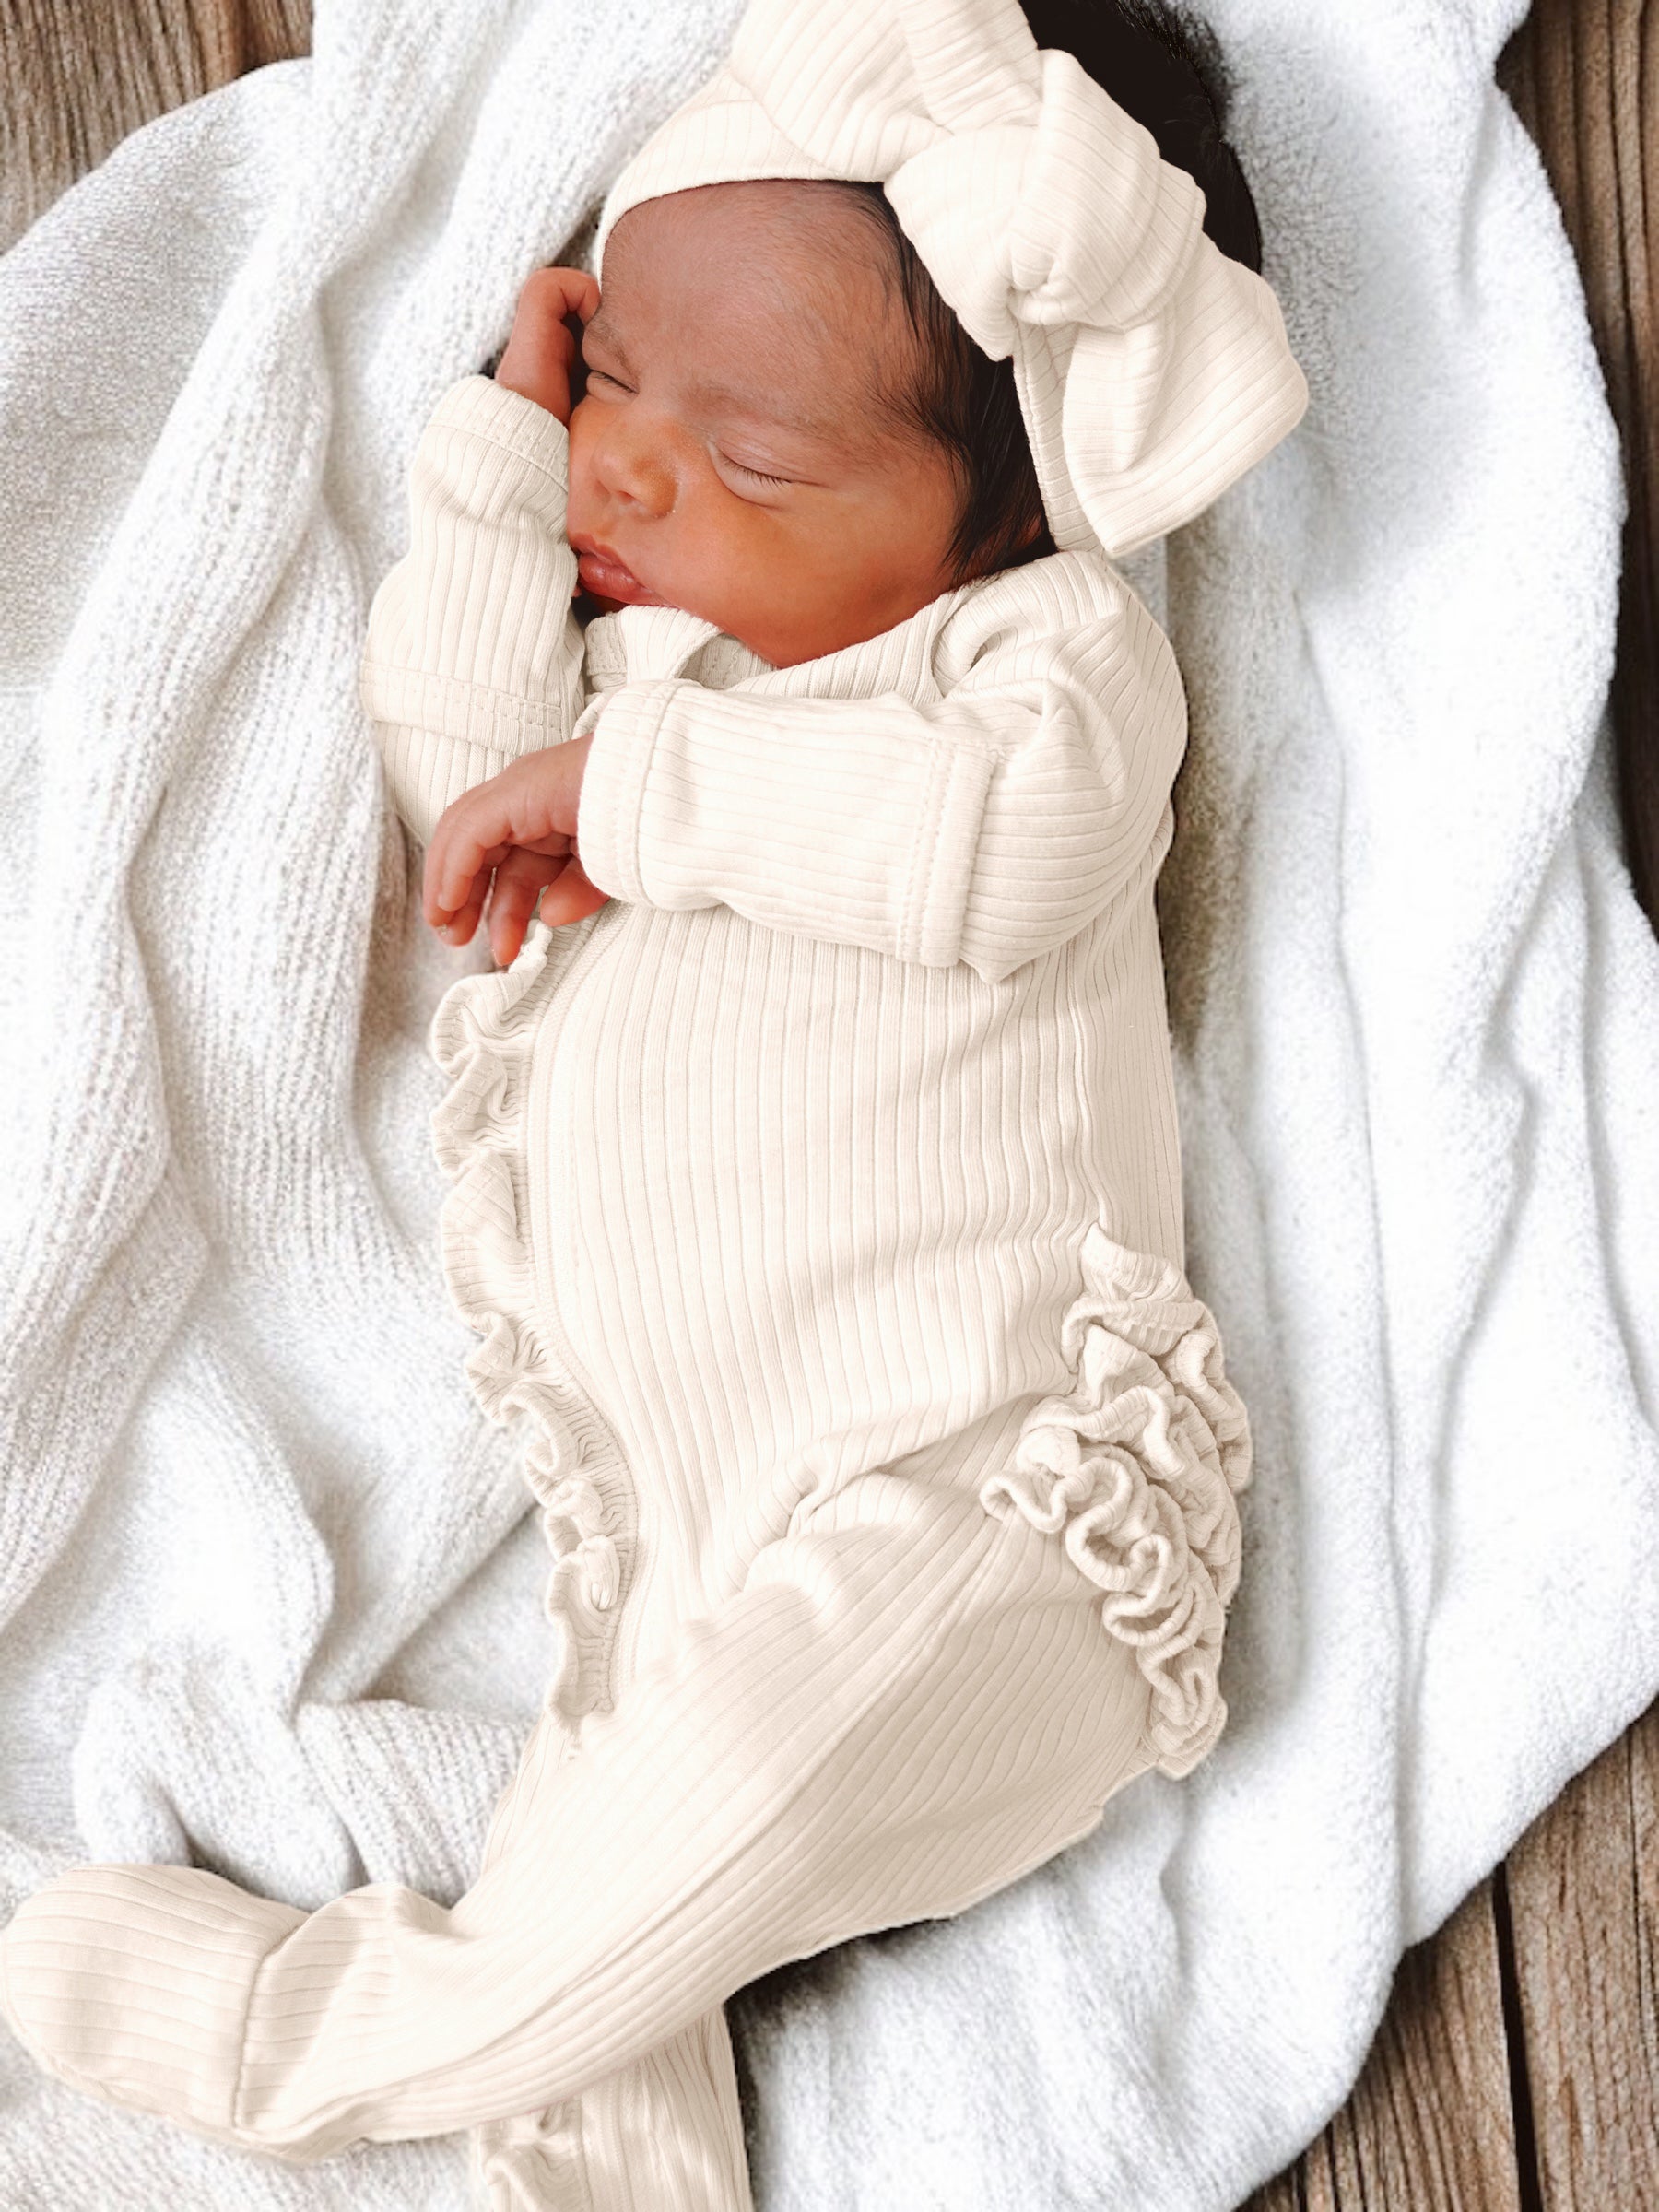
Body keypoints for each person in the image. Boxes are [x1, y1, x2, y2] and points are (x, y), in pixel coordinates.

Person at [0, 0, 1305, 2204]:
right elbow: (462, 784)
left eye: (756, 455)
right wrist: (498, 465)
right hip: (671, 1551)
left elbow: (1015, 850)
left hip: (988, 1503)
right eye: (619, 376)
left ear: (1004, 516)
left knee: (721, 1807)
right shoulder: (630, 676)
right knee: (614, 1976)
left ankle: (315, 2041)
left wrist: (631, 789)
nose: (632, 469)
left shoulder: (1033, 665)